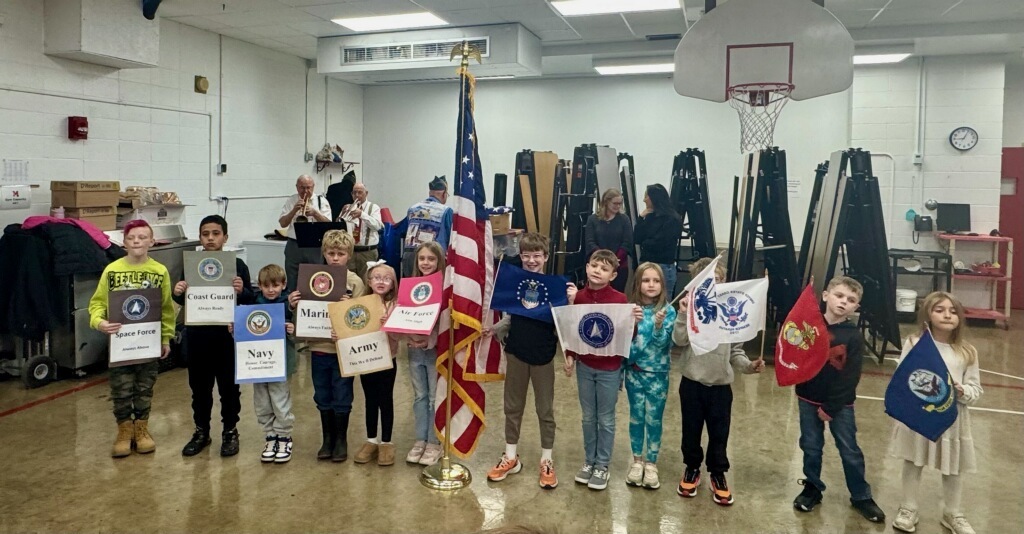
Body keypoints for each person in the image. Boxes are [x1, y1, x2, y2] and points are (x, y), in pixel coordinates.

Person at [792, 276, 886, 523]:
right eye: (839, 296)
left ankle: (861, 495)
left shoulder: (853, 337)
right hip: (807, 398)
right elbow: (795, 354)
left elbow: (850, 377)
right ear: (825, 295)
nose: (844, 302)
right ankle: (812, 487)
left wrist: (831, 407)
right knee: (811, 447)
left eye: (851, 300)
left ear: (856, 307)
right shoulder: (809, 327)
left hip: (839, 404)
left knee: (849, 450)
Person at [672, 258, 764, 505]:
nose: (713, 284)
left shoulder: (730, 317)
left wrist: (748, 366)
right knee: (691, 431)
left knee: (719, 433)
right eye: (705, 281)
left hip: (721, 387)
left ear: (725, 282)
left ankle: (718, 472)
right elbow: (679, 341)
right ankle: (692, 468)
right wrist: (682, 315)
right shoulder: (691, 309)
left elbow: (736, 351)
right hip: (692, 383)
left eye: (718, 279)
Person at [890, 292, 982, 534]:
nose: (947, 315)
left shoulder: (968, 351)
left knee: (953, 467)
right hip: (918, 415)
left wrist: (964, 391)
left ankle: (953, 512)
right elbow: (903, 376)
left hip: (952, 419)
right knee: (913, 460)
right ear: (928, 314)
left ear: (960, 318)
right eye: (940, 309)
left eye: (953, 311)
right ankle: (908, 507)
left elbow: (975, 387)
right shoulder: (914, 343)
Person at [484, 233, 569, 489]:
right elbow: (513, 316)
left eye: (537, 255)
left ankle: (546, 459)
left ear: (546, 257)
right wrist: (495, 328)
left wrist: (569, 355)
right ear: (520, 257)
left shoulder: (555, 288)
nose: (532, 260)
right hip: (516, 352)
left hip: (543, 355)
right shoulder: (514, 283)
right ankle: (510, 456)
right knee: (512, 406)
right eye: (527, 255)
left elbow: (564, 326)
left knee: (545, 410)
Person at [88, 219, 174, 458]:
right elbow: (96, 304)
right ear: (124, 242)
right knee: (121, 388)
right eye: (132, 238)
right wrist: (100, 322)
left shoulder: (159, 271)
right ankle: (124, 431)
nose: (137, 241)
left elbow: (166, 308)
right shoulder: (112, 270)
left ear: (152, 241)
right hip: (120, 344)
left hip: (148, 342)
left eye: (142, 237)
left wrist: (165, 338)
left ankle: (142, 429)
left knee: (145, 387)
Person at [173, 215, 254, 458]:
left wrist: (242, 291)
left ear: (225, 237)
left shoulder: (237, 265)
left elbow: (250, 299)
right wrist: (178, 293)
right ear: (200, 237)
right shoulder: (189, 264)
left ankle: (230, 430)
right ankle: (201, 431)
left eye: (216, 233)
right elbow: (181, 298)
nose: (210, 238)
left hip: (227, 337)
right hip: (198, 335)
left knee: (229, 388)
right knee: (199, 388)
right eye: (205, 233)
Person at [564, 249, 639, 491]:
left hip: (609, 368)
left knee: (605, 419)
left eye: (604, 268)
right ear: (587, 267)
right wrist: (569, 355)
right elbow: (574, 330)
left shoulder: (619, 300)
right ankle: (589, 461)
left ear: (613, 275)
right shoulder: (579, 297)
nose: (597, 271)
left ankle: (602, 465)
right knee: (588, 417)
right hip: (584, 366)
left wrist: (634, 322)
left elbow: (627, 336)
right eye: (594, 265)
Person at [288, 229, 365, 462]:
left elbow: (362, 319)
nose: (335, 258)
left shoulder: (354, 282)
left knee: (342, 394)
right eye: (331, 253)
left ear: (348, 255)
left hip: (342, 351)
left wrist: (350, 307)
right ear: (324, 253)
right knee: (322, 394)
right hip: (318, 348)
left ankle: (341, 440)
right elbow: (301, 313)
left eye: (340, 253)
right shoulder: (311, 278)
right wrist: (293, 305)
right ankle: (327, 439)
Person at [625, 262, 677, 490]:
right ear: (638, 283)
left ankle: (651, 462)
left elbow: (665, 343)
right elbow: (624, 344)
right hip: (634, 373)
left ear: (663, 284)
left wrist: (657, 327)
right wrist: (632, 324)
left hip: (657, 375)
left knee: (653, 419)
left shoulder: (669, 310)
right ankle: (637, 460)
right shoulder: (630, 309)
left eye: (656, 281)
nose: (651, 285)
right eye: (646, 280)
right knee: (636, 417)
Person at [353, 261, 400, 467]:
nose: (381, 281)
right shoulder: (360, 304)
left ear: (393, 283)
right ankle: (371, 439)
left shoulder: (396, 305)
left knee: (385, 399)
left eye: (386, 278)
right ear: (369, 281)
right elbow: (351, 329)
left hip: (388, 359)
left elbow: (400, 336)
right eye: (377, 278)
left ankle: (386, 442)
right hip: (366, 359)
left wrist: (389, 326)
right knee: (370, 399)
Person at [403, 241, 446, 466]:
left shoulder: (444, 288)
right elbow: (404, 315)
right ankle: (420, 439)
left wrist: (433, 338)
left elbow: (446, 320)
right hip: (413, 349)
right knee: (419, 396)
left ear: (439, 261)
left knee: (433, 398)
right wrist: (407, 336)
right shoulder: (410, 285)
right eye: (422, 259)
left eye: (431, 259)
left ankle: (434, 441)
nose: (426, 263)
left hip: (435, 350)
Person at [249, 264, 297, 464]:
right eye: (266, 286)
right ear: (259, 286)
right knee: (261, 400)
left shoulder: (287, 305)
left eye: (276, 285)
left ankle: (284, 436)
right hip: (257, 362)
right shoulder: (253, 305)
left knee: (279, 398)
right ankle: (270, 436)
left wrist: (291, 327)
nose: (271, 290)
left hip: (281, 361)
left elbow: (298, 331)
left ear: (283, 285)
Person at [279, 175, 333, 292]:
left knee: (315, 278)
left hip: (314, 245)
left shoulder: (321, 201)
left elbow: (329, 224)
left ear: (313, 187)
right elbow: (282, 223)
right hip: (294, 244)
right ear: (297, 187)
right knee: (292, 277)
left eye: (309, 188)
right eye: (302, 188)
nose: (306, 191)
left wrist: (315, 213)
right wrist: (294, 210)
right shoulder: (291, 200)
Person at [633, 184, 683, 299]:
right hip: (645, 264)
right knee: (642, 300)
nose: (644, 200)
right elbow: (637, 238)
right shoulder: (650, 216)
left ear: (654, 198)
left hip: (663, 266)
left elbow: (660, 243)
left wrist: (645, 243)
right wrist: (641, 217)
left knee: (662, 303)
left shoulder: (672, 219)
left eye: (646, 196)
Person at [584, 188, 633, 293]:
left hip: (619, 266)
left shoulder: (624, 219)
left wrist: (613, 260)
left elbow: (627, 243)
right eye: (615, 203)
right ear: (606, 202)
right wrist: (603, 259)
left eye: (620, 203)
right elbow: (590, 242)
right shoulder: (593, 219)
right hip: (598, 265)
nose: (618, 206)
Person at [402, 176, 453, 276]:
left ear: (430, 193)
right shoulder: (446, 211)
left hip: (409, 256)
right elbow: (450, 237)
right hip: (432, 258)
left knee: (411, 288)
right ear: (444, 194)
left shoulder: (413, 208)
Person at [337, 182, 383, 281]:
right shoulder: (348, 207)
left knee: (367, 281)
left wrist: (362, 214)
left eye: (360, 192)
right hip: (350, 251)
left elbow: (378, 226)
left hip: (368, 252)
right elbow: (339, 227)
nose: (357, 195)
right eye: (354, 193)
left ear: (366, 193)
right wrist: (341, 215)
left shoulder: (373, 207)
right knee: (349, 281)